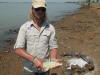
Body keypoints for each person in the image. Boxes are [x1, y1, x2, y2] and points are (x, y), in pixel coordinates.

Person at [14, 0, 62, 75]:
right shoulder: (25, 27)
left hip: (45, 69)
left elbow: (53, 47)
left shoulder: (50, 27)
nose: (40, 11)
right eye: (37, 9)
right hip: (29, 70)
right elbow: (18, 49)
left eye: (43, 9)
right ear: (32, 10)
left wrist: (53, 59)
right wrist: (34, 60)